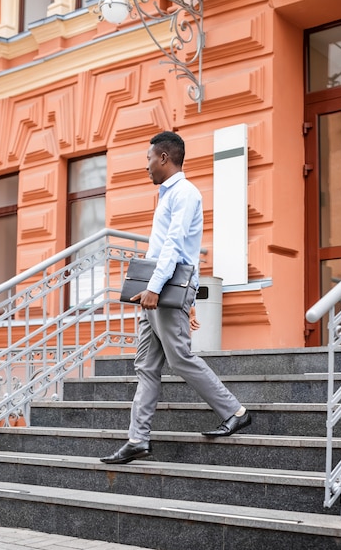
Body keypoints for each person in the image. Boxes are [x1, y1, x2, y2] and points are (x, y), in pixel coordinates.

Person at [100, 131, 251, 464]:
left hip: (163, 291)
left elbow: (175, 246)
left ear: (164, 158)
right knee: (146, 366)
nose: (146, 166)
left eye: (149, 159)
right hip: (154, 292)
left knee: (180, 357)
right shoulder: (167, 195)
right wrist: (150, 288)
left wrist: (154, 287)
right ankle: (138, 439)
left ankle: (234, 411)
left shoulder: (185, 193)